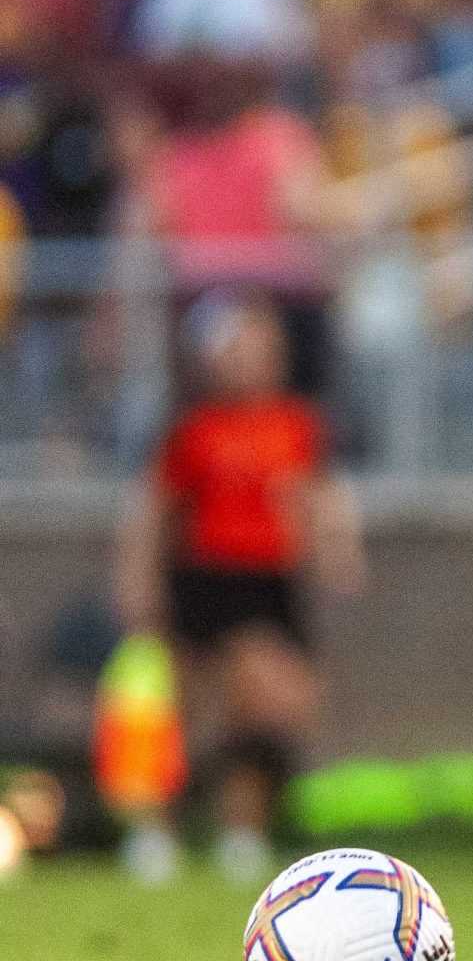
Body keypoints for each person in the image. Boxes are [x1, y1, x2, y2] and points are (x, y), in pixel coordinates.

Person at [112, 292, 365, 883]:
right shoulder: (193, 429)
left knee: (273, 709)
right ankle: (159, 834)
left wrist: (337, 551)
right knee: (188, 713)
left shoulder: (297, 423)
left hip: (269, 581)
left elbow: (321, 495)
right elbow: (154, 511)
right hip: (204, 577)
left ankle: (242, 830)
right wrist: (139, 580)